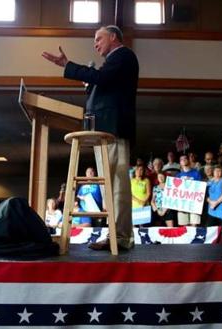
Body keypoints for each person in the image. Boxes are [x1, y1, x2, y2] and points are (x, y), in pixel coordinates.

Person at [42, 25, 138, 250]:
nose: (95, 43)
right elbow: (103, 83)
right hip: (104, 131)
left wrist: (68, 65)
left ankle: (121, 238)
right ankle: (115, 236)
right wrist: (90, 84)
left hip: (113, 130)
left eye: (99, 38)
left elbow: (103, 79)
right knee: (109, 186)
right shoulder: (112, 63)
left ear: (113, 37)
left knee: (116, 187)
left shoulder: (123, 55)